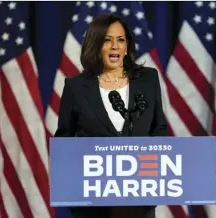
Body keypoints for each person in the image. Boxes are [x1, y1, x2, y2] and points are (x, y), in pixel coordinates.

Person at [54, 13, 169, 218]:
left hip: (138, 197)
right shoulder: (76, 87)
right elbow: (64, 139)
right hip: (91, 202)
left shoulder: (148, 79)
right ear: (96, 46)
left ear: (127, 47)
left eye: (121, 40)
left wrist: (154, 170)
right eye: (107, 40)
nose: (115, 46)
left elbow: (159, 127)